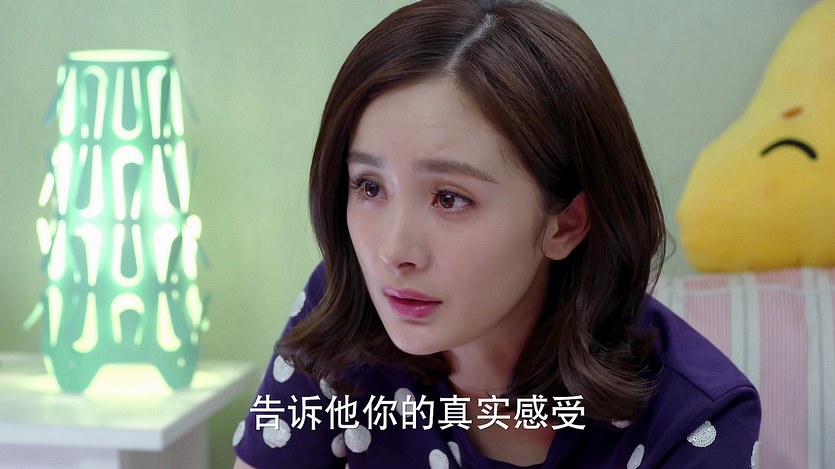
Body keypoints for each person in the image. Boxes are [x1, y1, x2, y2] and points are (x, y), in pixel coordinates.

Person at [233, 0, 761, 467]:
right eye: (370, 186)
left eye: (449, 198)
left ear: (565, 223)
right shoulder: (342, 312)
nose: (393, 252)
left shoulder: (694, 419)